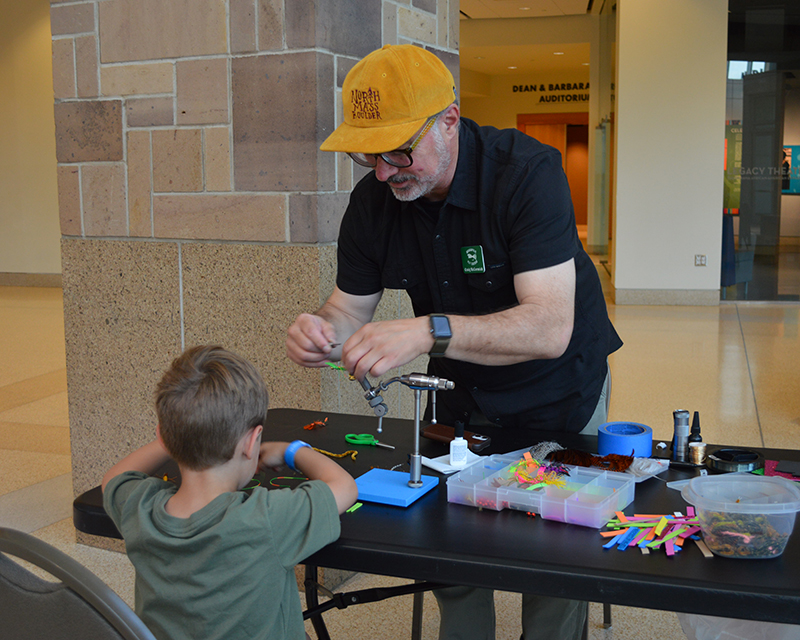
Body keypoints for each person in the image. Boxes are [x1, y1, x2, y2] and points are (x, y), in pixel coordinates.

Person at [286, 43, 622, 640]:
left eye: (399, 149)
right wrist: (322, 330)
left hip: (560, 385)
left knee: (549, 559)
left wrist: (426, 331)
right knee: (455, 551)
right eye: (369, 155)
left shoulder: (527, 174)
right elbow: (346, 307)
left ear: (448, 120)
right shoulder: (376, 201)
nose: (386, 170)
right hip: (458, 393)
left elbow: (549, 327)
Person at [102, 345, 358, 640]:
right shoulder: (265, 519)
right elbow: (344, 487)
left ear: (163, 436)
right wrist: (291, 450)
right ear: (252, 442)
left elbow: (114, 477)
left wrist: (174, 436)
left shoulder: (140, 508)